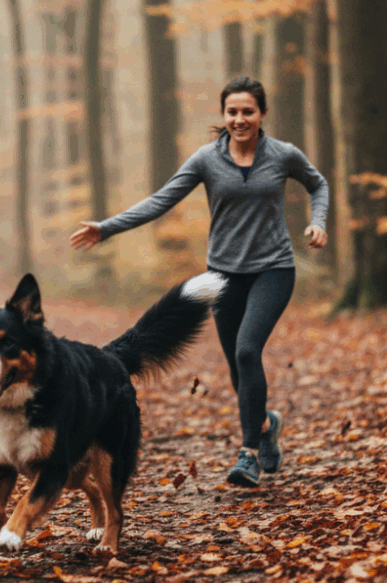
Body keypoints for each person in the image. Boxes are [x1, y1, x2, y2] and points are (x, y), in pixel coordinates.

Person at [69, 77, 328, 488]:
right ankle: (265, 424)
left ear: (262, 114)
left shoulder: (283, 155)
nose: (239, 119)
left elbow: (318, 184)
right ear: (223, 115)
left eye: (248, 111)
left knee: (247, 351)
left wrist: (318, 222)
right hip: (223, 274)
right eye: (232, 112)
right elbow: (160, 200)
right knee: (238, 369)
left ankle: (248, 456)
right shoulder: (207, 159)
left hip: (273, 269)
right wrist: (107, 227)